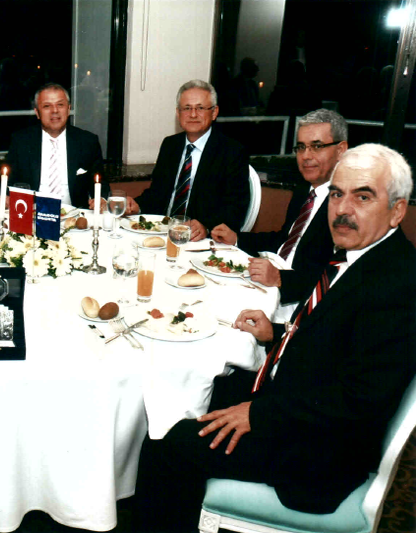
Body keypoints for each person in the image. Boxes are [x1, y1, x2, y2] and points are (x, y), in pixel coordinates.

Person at [134, 143, 416, 532]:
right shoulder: (362, 255)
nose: (343, 209)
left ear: (397, 210)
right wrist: (277, 332)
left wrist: (257, 414)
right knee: (191, 392)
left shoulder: (398, 283)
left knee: (168, 444)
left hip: (315, 449)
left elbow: (360, 399)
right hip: (293, 400)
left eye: (363, 197)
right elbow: (339, 341)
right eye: (337, 194)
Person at [212, 109, 347, 305]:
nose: (306, 156)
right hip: (274, 282)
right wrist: (237, 239)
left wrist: (280, 278)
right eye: (301, 147)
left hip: (301, 303)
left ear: (341, 150)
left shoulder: (347, 206)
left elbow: (336, 278)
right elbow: (285, 239)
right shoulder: (305, 189)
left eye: (317, 146)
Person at [130, 80, 249, 241]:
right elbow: (157, 193)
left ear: (214, 112)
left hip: (201, 240)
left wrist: (206, 226)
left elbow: (235, 207)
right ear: (178, 113)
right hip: (162, 232)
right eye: (187, 108)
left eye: (200, 108)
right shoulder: (170, 145)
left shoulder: (232, 151)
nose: (193, 115)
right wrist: (137, 205)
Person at [0, 82, 111, 210]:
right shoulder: (21, 141)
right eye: (47, 106)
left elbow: (100, 183)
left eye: (60, 105)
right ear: (37, 113)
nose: (55, 111)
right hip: (32, 215)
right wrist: (3, 197)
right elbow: (5, 180)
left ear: (68, 109)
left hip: (75, 216)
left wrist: (102, 199)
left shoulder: (87, 141)